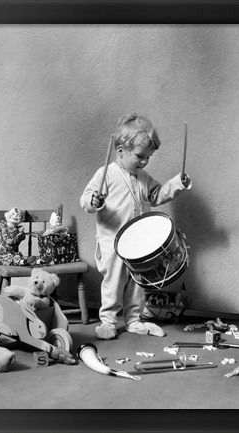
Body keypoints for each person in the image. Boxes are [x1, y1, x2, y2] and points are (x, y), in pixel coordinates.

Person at [80, 114, 191, 340]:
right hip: (112, 244)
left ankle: (134, 320)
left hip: (139, 246)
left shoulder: (143, 177)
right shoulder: (106, 174)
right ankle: (108, 322)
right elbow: (86, 198)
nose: (144, 162)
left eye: (148, 158)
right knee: (113, 284)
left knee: (137, 284)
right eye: (140, 156)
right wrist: (93, 201)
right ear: (120, 151)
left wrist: (177, 183)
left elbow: (158, 195)